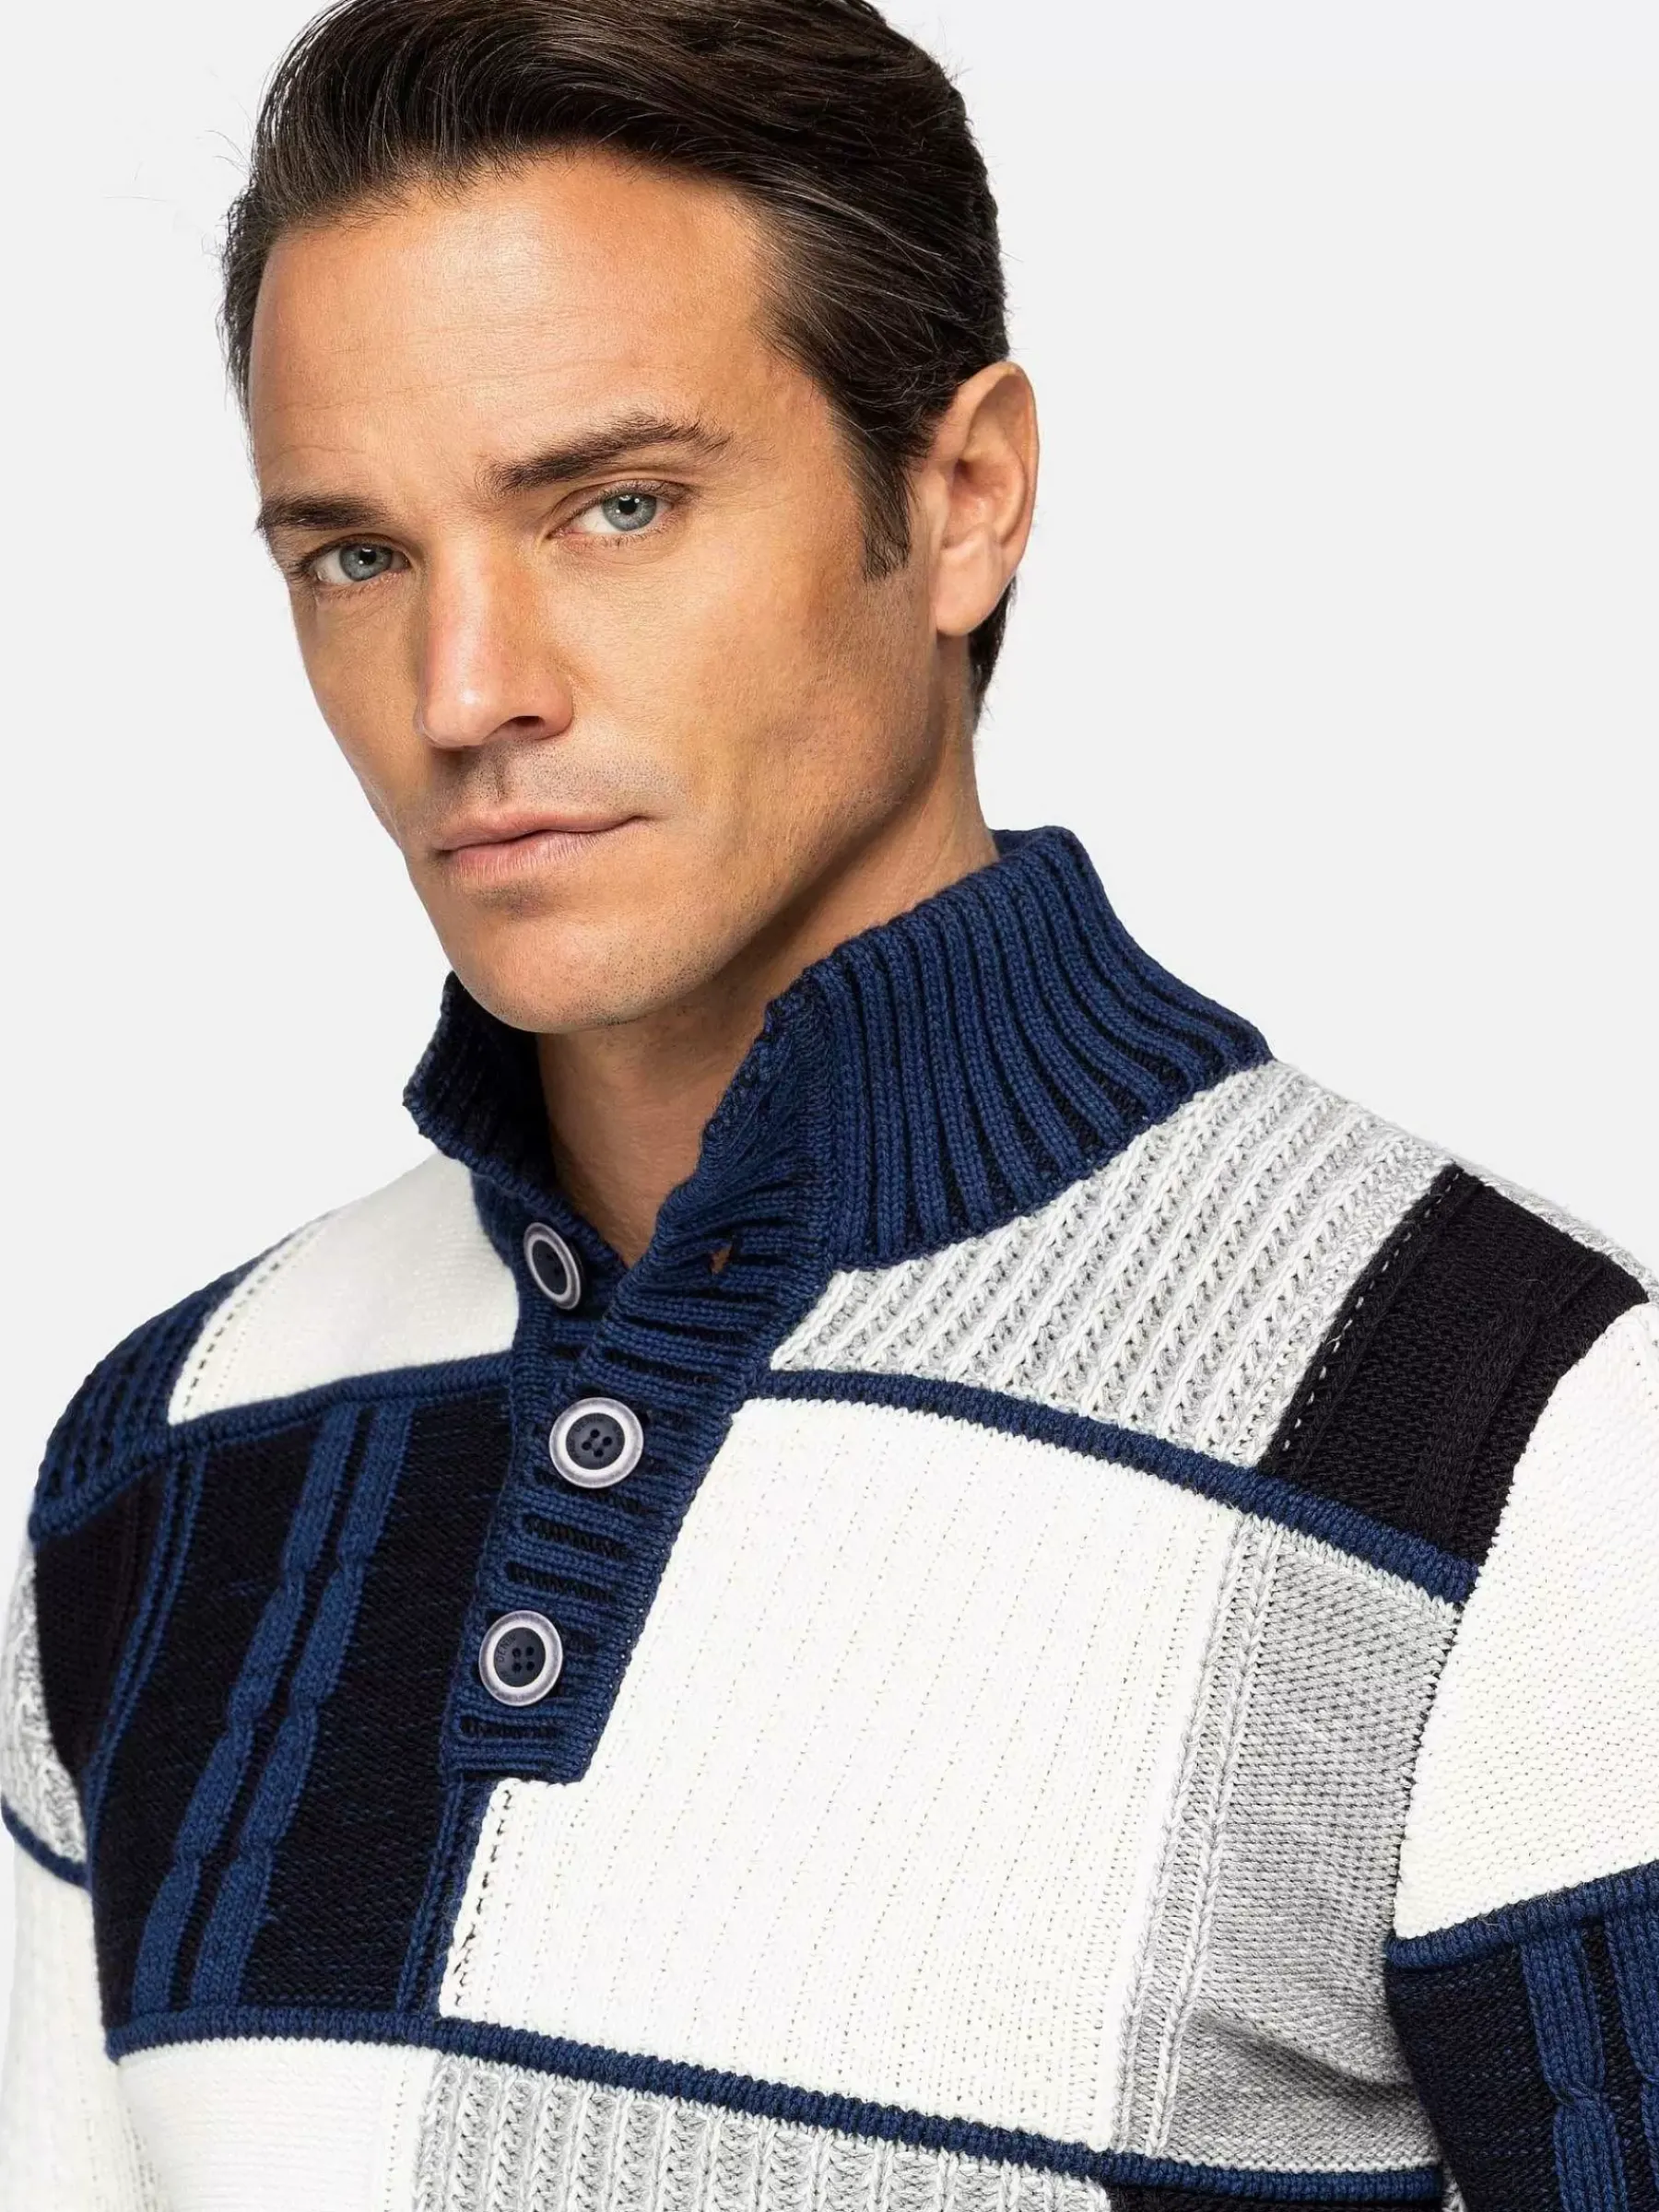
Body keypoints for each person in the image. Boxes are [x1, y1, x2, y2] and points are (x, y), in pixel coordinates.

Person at [2, 0, 1654, 2205]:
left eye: (615, 506)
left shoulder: (1521, 1437)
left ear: (964, 501)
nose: (463, 693)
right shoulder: (167, 1456)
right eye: (356, 556)